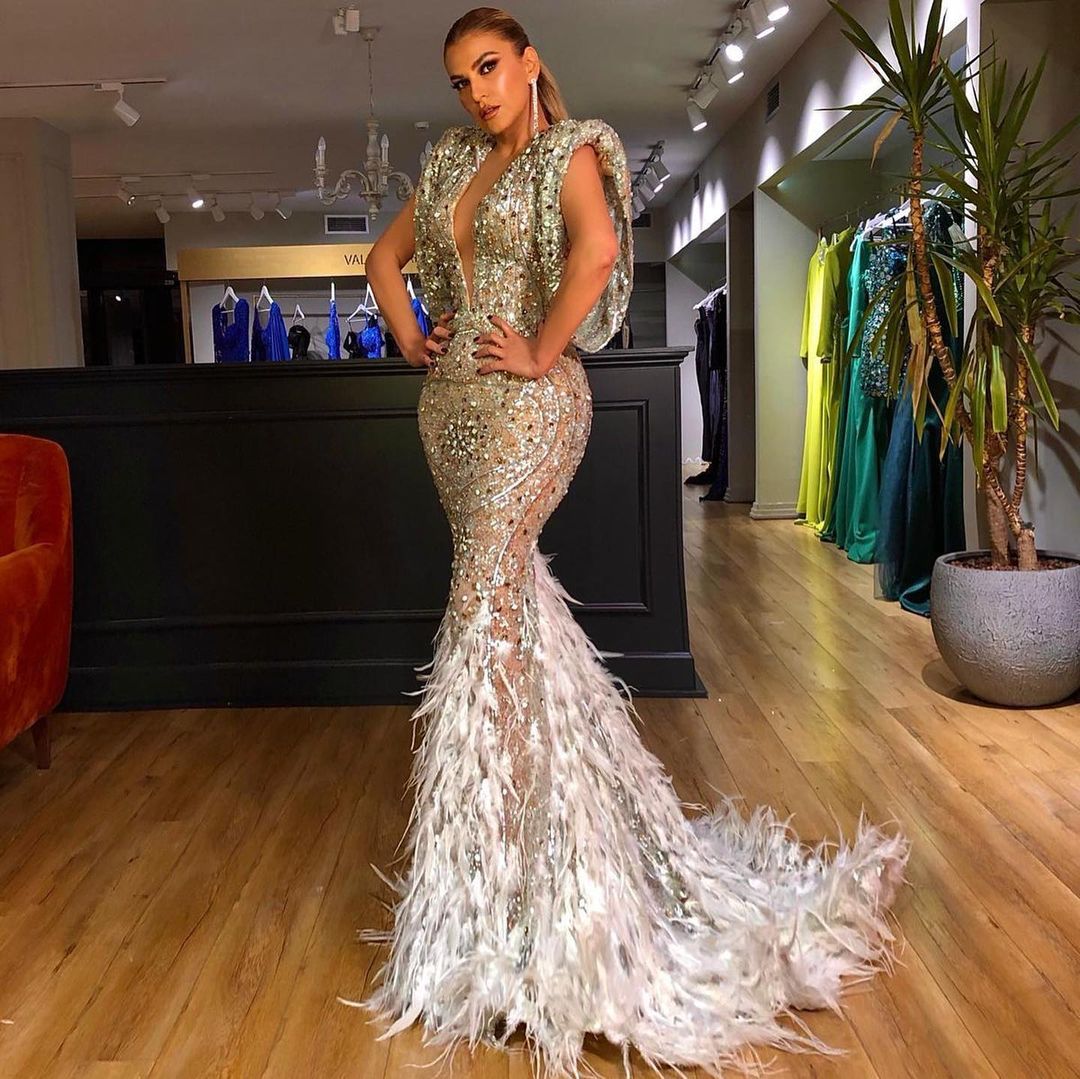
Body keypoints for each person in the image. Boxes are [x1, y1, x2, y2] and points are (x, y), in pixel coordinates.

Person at [338, 8, 911, 1077]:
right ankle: (540, 850)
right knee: (504, 609)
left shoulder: (571, 150)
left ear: (529, 62)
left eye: (490, 68)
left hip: (530, 408)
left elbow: (598, 253)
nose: (476, 92)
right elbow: (383, 257)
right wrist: (414, 332)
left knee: (483, 604)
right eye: (460, 79)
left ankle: (506, 884)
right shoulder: (450, 159)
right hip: (452, 410)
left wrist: (538, 348)